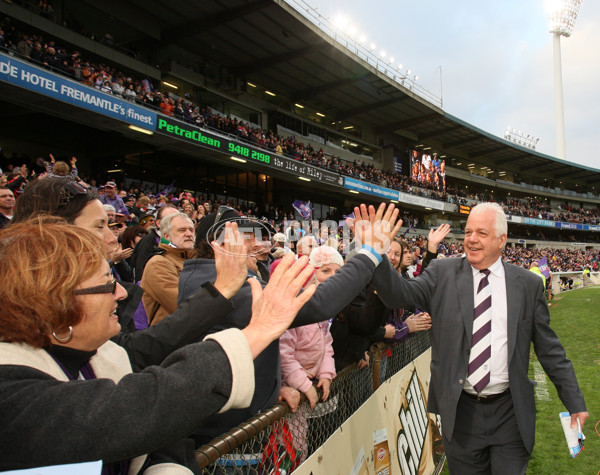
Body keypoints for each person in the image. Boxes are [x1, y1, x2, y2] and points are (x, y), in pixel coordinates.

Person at [0, 217, 316, 472]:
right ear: (56, 304)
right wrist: (258, 331)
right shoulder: (9, 394)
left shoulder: (104, 355)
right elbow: (143, 405)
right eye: (107, 284)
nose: (122, 294)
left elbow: (158, 356)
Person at [370, 202, 588, 474]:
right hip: (461, 413)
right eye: (468, 231)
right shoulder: (441, 273)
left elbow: (549, 349)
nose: (471, 239)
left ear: (501, 240)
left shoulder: (527, 285)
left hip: (510, 413)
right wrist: (376, 253)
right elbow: (397, 295)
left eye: (481, 233)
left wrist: (574, 401)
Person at [10, 178, 252, 371]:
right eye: (98, 226)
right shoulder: (17, 370)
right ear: (50, 233)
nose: (110, 238)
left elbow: (130, 353)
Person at [141, 212, 196, 326]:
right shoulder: (158, 263)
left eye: (191, 230)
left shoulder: (195, 259)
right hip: (171, 338)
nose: (189, 234)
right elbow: (182, 305)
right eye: (182, 230)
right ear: (166, 236)